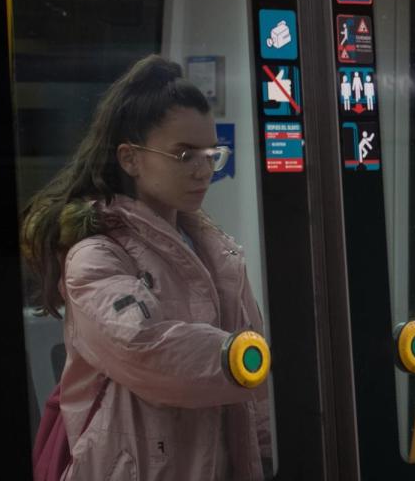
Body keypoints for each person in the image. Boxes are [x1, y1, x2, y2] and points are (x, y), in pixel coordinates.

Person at [21, 55, 272, 481]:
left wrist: (265, 453)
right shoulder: (96, 255)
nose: (203, 169)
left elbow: (257, 397)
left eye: (212, 153)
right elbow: (147, 349)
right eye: (183, 154)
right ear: (130, 158)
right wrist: (239, 358)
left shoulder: (220, 254)